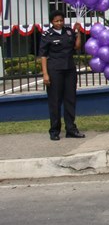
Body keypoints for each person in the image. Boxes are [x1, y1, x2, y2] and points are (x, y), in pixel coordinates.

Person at [39, 10, 84, 141]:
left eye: (61, 20)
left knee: (70, 99)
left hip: (69, 69)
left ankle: (71, 129)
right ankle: (54, 130)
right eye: (56, 21)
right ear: (52, 22)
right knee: (55, 101)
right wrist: (45, 74)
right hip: (55, 70)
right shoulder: (47, 35)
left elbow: (77, 47)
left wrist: (78, 33)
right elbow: (43, 56)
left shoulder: (69, 32)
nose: (59, 23)